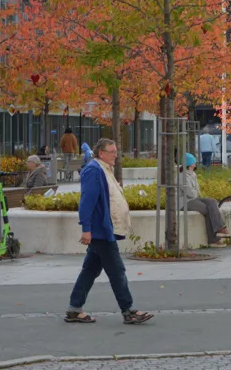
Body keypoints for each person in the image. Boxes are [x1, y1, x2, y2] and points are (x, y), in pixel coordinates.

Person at [65, 138, 153, 325]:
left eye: (116, 151)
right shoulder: (93, 170)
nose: (116, 155)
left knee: (90, 270)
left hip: (103, 230)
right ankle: (128, 311)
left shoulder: (103, 169)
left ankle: (74, 309)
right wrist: (86, 229)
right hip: (101, 231)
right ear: (101, 153)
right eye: (112, 152)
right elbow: (86, 202)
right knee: (117, 271)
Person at [180, 153, 230, 247]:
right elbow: (190, 193)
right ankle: (214, 239)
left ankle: (219, 229)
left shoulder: (192, 174)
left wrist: (196, 193)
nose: (195, 164)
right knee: (207, 210)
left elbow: (196, 191)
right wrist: (195, 192)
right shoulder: (182, 176)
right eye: (193, 162)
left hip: (193, 199)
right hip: (184, 202)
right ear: (189, 164)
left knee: (212, 202)